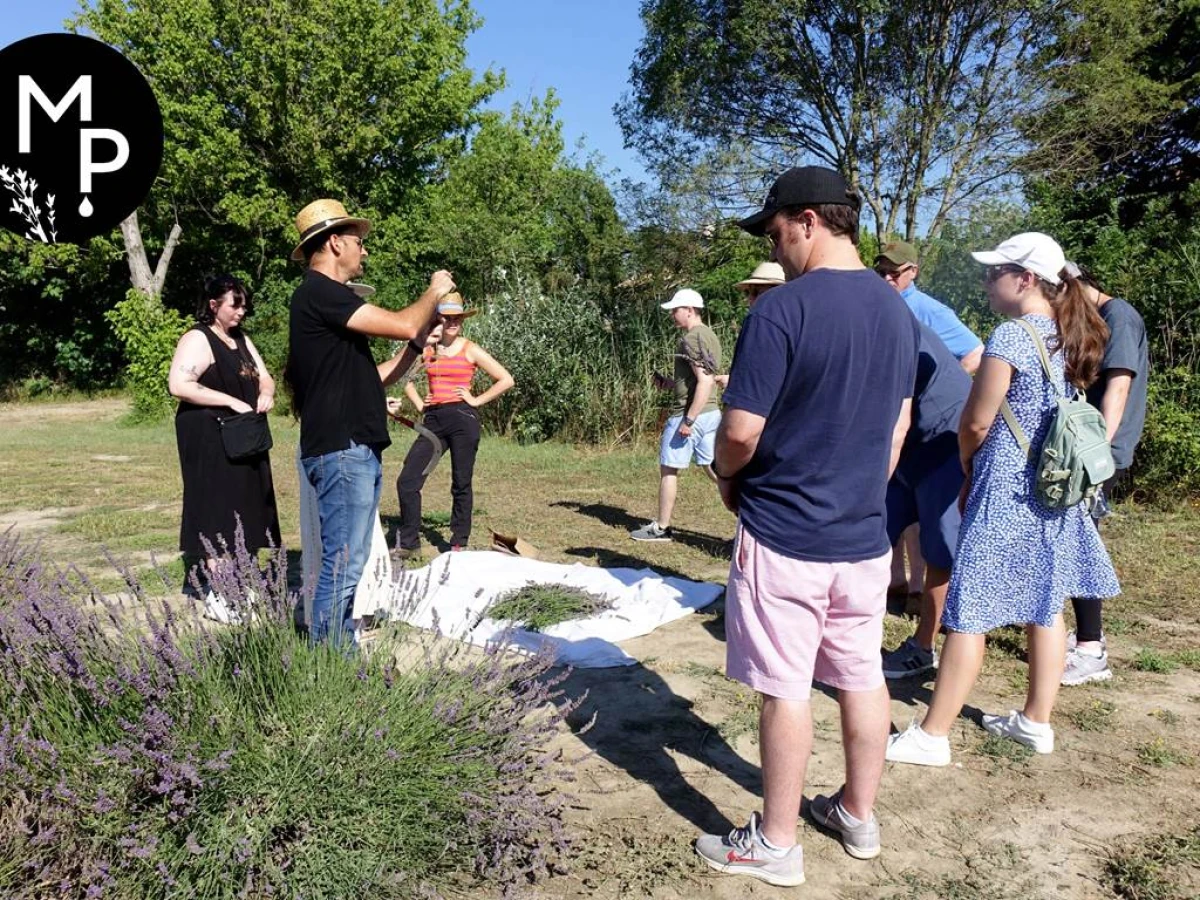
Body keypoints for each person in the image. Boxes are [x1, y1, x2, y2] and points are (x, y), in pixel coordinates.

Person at [694, 166, 918, 885]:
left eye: (774, 228)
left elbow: (740, 430)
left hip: (785, 530)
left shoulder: (779, 312)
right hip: (862, 537)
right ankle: (857, 813)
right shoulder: (898, 313)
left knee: (785, 685)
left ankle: (778, 842)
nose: (773, 242)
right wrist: (862, 493)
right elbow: (896, 428)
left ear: (809, 221)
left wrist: (727, 478)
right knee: (860, 673)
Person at [886, 233, 1120, 768]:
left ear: (1026, 279)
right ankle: (1036, 721)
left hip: (1009, 485)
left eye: (995, 273)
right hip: (1054, 487)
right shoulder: (1071, 333)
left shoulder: (1013, 336)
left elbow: (976, 420)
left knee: (970, 610)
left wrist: (968, 466)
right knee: (1047, 600)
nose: (987, 282)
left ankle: (933, 734)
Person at [286, 198, 453, 645]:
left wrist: (417, 346)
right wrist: (435, 291)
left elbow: (377, 375)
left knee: (349, 563)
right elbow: (401, 323)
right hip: (342, 450)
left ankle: (338, 659)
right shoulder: (319, 292)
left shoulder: (327, 304)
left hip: (352, 448)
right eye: (359, 242)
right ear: (335, 242)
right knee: (342, 567)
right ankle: (326, 667)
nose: (365, 251)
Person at [875, 240, 984, 606]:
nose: (887, 277)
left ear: (912, 272)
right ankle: (898, 584)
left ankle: (934, 599)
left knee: (934, 524)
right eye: (882, 271)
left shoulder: (927, 310)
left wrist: (937, 386)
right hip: (907, 432)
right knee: (895, 514)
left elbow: (975, 352)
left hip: (938, 430)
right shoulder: (881, 306)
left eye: (895, 272)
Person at [168, 274, 281, 622]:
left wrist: (266, 392)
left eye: (245, 304)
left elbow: (265, 376)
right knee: (219, 510)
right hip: (209, 438)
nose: (242, 311)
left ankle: (240, 581)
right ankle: (221, 593)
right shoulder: (198, 338)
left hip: (243, 437)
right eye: (236, 304)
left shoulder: (241, 339)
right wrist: (231, 401)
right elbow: (179, 384)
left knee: (246, 507)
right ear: (214, 305)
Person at [1062, 261, 1149, 686]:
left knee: (1082, 540)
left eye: (1061, 294)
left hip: (1102, 451)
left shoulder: (1120, 317)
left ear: (1076, 285)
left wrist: (1095, 453)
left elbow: (1119, 385)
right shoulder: (1099, 317)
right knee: (1079, 536)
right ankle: (1083, 637)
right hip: (1091, 447)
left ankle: (1090, 649)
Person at [880, 320, 971, 678]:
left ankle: (923, 647)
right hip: (910, 448)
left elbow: (892, 421)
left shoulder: (896, 331)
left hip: (944, 445)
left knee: (939, 551)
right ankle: (846, 632)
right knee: (872, 534)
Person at [391, 294, 513, 555]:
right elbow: (408, 381)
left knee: (461, 482)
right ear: (438, 320)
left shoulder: (470, 349)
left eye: (457, 317)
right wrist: (421, 405)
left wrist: (476, 400)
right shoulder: (427, 349)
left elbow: (505, 379)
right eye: (447, 317)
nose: (453, 322)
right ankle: (410, 543)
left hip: (462, 418)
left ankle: (459, 542)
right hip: (433, 420)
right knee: (408, 480)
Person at [630, 288, 722, 542]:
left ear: (690, 310)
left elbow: (705, 382)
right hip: (712, 413)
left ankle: (661, 527)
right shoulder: (709, 336)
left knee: (669, 469)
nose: (672, 315)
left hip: (690, 415)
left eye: (676, 310)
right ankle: (748, 523)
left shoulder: (691, 339)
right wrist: (671, 384)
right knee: (714, 469)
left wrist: (688, 420)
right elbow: (699, 379)